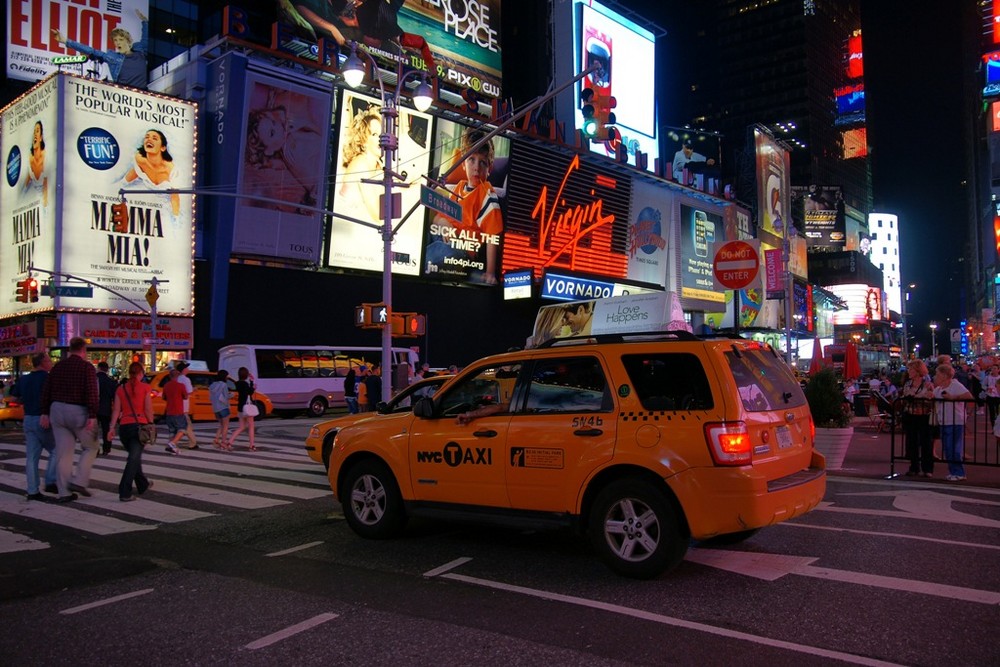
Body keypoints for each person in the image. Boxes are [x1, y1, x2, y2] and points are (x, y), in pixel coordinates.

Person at [427, 128, 504, 284]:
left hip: (461, 251)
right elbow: (437, 218)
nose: (477, 167)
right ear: (463, 163)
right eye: (471, 160)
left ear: (489, 168)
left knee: (434, 255)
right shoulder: (458, 188)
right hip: (441, 236)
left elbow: (492, 237)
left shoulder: (487, 195)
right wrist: (445, 223)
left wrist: (490, 273)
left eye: (483, 162)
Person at [40, 337, 100, 503]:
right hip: (78, 410)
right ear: (83, 350)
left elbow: (47, 389)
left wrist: (44, 411)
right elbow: (92, 392)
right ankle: (79, 480)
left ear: (69, 349)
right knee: (91, 446)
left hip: (57, 409)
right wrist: (92, 415)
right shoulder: (86, 367)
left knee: (63, 453)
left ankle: (63, 492)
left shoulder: (58, 367)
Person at [51, 9, 149, 88]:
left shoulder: (140, 50)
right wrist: (66, 41)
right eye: (115, 40)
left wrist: (145, 21)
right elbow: (92, 51)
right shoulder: (113, 57)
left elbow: (145, 37)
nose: (117, 42)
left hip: (144, 96)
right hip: (124, 96)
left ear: (128, 41)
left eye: (121, 39)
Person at [10, 352, 58, 500]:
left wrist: (26, 401)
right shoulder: (48, 378)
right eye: (49, 360)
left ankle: (32, 490)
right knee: (57, 450)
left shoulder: (24, 379)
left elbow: (14, 398)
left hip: (28, 418)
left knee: (32, 457)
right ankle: (50, 480)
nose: (51, 363)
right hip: (43, 417)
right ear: (43, 362)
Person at [107, 361, 154, 502]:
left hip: (124, 429)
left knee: (134, 457)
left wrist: (111, 428)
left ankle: (142, 484)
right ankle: (124, 491)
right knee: (133, 459)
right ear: (140, 373)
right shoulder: (145, 388)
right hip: (139, 427)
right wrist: (151, 424)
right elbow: (147, 409)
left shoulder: (121, 389)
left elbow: (116, 410)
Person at [121, 129, 181, 221]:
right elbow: (136, 172)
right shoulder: (139, 159)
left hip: (166, 207)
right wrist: (121, 184)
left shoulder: (171, 170)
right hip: (145, 204)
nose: (149, 140)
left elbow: (175, 197)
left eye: (154, 138)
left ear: (163, 148)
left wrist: (176, 218)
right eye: (147, 137)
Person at [337, 106, 383, 220]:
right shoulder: (361, 164)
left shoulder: (378, 165)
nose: (380, 139)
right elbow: (377, 215)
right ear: (363, 141)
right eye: (374, 134)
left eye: (382, 134)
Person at [932, 363, 973, 482]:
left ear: (944, 375)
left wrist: (953, 398)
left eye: (938, 374)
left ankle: (959, 472)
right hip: (944, 421)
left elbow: (969, 396)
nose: (936, 377)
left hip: (955, 421)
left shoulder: (955, 385)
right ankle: (953, 471)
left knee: (955, 448)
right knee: (948, 448)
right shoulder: (938, 389)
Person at [900, 359, 934, 477]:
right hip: (911, 414)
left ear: (917, 370)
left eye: (911, 369)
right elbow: (905, 395)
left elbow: (929, 397)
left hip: (924, 415)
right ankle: (914, 467)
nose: (909, 371)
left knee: (926, 442)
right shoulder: (908, 383)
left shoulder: (927, 383)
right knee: (912, 442)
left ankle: (927, 468)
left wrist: (916, 397)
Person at [227, 367, 257, 451]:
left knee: (241, 427)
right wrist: (252, 384)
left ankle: (230, 442)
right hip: (247, 407)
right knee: (251, 426)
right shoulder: (245, 384)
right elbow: (250, 392)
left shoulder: (237, 384)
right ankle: (252, 445)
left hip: (240, 407)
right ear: (246, 375)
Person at [162, 369, 187, 456]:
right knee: (182, 429)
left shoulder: (166, 386)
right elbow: (185, 396)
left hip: (169, 411)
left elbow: (164, 397)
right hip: (178, 411)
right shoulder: (181, 385)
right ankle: (172, 443)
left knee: (172, 431)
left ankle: (172, 447)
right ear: (178, 376)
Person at [96, 361, 118, 456]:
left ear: (99, 368)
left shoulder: (93, 380)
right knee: (106, 429)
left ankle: (95, 448)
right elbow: (115, 397)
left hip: (94, 408)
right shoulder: (111, 382)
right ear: (107, 369)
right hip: (106, 408)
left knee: (94, 430)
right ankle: (106, 448)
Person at [23, 120, 47, 209]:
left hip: (46, 204)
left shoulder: (45, 157)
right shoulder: (30, 158)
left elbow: (47, 188)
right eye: (34, 132)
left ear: (41, 137)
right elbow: (25, 185)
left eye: (37, 131)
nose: (35, 135)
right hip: (35, 206)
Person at [174, 362, 198, 449]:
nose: (188, 369)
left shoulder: (177, 379)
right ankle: (192, 443)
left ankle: (192, 442)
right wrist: (194, 389)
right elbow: (188, 391)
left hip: (177, 405)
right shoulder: (186, 380)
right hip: (184, 405)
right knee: (186, 425)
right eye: (186, 368)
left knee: (182, 424)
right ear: (183, 370)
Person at [208, 370, 232, 450]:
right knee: (225, 426)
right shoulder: (223, 385)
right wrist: (232, 395)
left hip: (215, 408)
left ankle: (216, 439)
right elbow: (226, 396)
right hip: (223, 407)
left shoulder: (212, 385)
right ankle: (223, 442)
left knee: (221, 425)